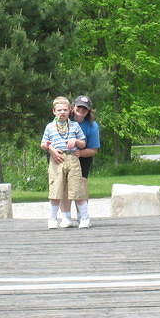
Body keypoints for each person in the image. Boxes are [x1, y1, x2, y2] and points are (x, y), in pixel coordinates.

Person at [40, 96, 86, 229]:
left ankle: (84, 218)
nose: (62, 112)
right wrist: (48, 147)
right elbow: (43, 143)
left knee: (76, 188)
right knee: (56, 189)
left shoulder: (75, 126)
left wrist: (76, 142)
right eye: (59, 110)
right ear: (54, 111)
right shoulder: (49, 127)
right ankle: (53, 219)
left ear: (70, 110)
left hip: (72, 158)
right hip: (57, 159)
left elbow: (83, 143)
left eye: (65, 110)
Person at [63, 95, 100, 228]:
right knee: (65, 186)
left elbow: (93, 150)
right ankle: (66, 217)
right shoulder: (64, 119)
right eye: (79, 107)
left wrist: (79, 153)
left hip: (83, 158)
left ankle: (82, 216)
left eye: (85, 108)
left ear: (89, 111)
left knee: (81, 186)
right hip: (63, 156)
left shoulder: (92, 126)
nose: (81, 110)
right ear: (73, 107)